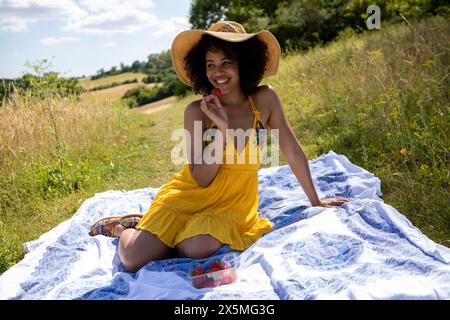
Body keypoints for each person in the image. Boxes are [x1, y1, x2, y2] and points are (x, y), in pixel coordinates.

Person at [89, 21, 349, 273]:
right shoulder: (196, 112)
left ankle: (156, 233)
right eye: (210, 64)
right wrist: (222, 130)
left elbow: (291, 149)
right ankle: (123, 229)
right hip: (188, 196)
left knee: (196, 248)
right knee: (133, 260)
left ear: (244, 64)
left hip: (233, 203)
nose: (218, 72)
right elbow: (201, 178)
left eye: (227, 62)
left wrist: (315, 200)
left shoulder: (265, 99)